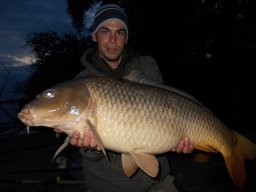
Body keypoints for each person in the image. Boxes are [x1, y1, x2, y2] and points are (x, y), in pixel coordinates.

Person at [62, 4, 194, 192]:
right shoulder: (80, 85)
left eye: (120, 33)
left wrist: (177, 140)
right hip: (108, 186)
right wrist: (89, 148)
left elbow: (168, 116)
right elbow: (89, 155)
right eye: (105, 31)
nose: (113, 40)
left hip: (156, 183)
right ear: (94, 35)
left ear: (127, 37)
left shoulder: (146, 66)